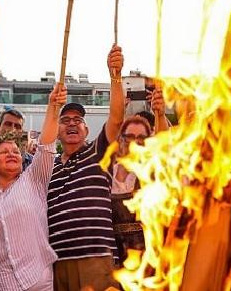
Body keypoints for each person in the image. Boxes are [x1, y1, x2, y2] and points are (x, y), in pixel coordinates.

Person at [0, 84, 67, 291]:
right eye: (4, 152)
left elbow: (47, 145)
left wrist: (52, 108)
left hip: (37, 282)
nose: (12, 154)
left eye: (16, 152)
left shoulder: (34, 180)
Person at [48, 45, 125, 291]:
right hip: (56, 263)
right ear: (57, 130)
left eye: (78, 120)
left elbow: (116, 118)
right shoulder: (46, 168)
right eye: (65, 120)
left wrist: (115, 76)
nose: (72, 124)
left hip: (96, 259)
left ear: (87, 130)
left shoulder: (97, 152)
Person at [111, 116, 151, 263]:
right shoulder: (106, 175)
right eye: (129, 137)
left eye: (140, 138)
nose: (134, 142)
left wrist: (159, 115)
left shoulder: (150, 175)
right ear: (120, 140)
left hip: (144, 259)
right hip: (112, 258)